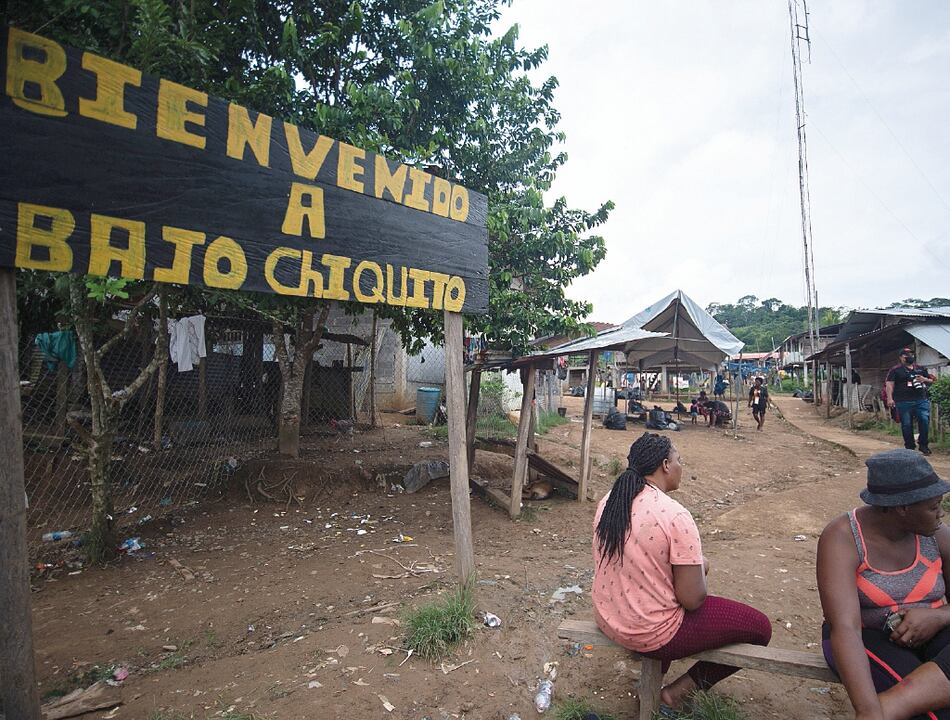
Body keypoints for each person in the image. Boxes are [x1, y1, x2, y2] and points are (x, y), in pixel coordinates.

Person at [592, 433, 772, 712]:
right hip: (647, 631)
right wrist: (703, 567)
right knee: (760, 628)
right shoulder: (674, 515)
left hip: (610, 618)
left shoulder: (610, 501)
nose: (681, 466)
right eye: (679, 460)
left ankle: (652, 682)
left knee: (657, 598)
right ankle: (676, 694)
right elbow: (692, 599)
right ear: (665, 465)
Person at [817, 449, 950, 720]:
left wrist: (937, 616)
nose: (941, 514)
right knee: (934, 714)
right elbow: (845, 628)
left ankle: (889, 708)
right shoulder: (843, 538)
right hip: (866, 637)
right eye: (933, 507)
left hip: (936, 632)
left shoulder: (939, 536)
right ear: (902, 507)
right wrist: (867, 710)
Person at [886, 348, 937, 456]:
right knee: (906, 424)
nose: (909, 356)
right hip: (903, 401)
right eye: (906, 355)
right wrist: (889, 398)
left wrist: (924, 379)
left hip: (921, 400)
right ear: (901, 357)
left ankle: (923, 445)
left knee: (924, 421)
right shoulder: (895, 370)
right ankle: (910, 447)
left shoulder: (920, 369)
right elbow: (889, 384)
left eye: (911, 354)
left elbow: (932, 380)